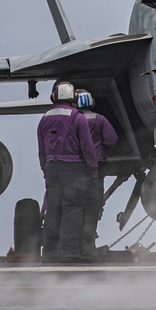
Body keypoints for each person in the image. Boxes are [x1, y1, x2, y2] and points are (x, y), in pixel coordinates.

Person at [38, 80, 98, 263]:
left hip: (51, 168)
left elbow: (41, 149)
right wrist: (93, 168)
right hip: (73, 169)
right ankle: (69, 252)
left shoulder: (44, 118)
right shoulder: (77, 117)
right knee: (72, 208)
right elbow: (87, 147)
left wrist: (45, 168)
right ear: (73, 98)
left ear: (54, 97)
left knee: (53, 208)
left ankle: (48, 252)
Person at [75, 88, 118, 258]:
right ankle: (89, 245)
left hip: (74, 168)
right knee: (93, 206)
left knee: (73, 206)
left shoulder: (72, 120)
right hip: (96, 169)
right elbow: (112, 140)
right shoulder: (99, 119)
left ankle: (72, 245)